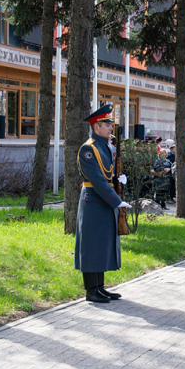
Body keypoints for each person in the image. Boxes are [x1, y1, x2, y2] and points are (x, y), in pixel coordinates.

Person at [74, 104, 132, 303]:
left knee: (102, 245)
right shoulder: (88, 148)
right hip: (93, 200)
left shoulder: (107, 146)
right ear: (96, 126)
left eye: (110, 124)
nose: (110, 128)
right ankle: (91, 290)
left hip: (104, 199)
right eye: (106, 124)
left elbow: (108, 175)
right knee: (91, 246)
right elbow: (97, 180)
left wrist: (119, 180)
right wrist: (117, 201)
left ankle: (100, 287)